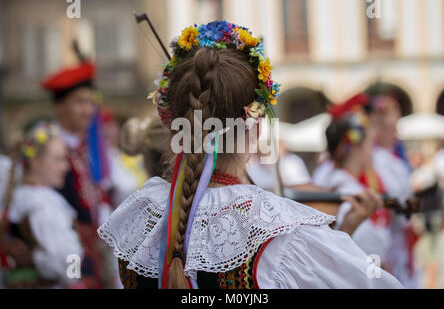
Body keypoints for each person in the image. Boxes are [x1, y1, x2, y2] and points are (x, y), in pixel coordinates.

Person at [98, 21, 402, 289]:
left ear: (171, 122)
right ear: (256, 129)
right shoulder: (283, 236)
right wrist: (344, 235)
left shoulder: (138, 221)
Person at [41, 61, 110, 288]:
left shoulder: (86, 148)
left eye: (91, 102)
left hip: (90, 259)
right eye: (80, 102)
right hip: (60, 260)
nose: (88, 110)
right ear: (60, 106)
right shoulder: (45, 147)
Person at [3, 123, 83, 288]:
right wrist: (75, 277)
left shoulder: (20, 196)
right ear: (35, 162)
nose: (65, 167)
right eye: (58, 159)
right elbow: (69, 259)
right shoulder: (43, 204)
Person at [318, 94, 393, 263]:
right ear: (355, 147)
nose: (372, 151)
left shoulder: (338, 180)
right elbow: (369, 249)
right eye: (369, 144)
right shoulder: (348, 190)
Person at [369, 94, 419, 288]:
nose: (394, 129)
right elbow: (394, 198)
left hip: (399, 236)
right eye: (388, 126)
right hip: (387, 236)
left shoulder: (396, 152)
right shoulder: (377, 158)